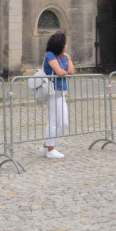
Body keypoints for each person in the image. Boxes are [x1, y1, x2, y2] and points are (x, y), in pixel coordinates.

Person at [42, 31, 74, 159]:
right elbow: (59, 72)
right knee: (53, 122)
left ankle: (46, 145)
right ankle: (50, 149)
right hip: (53, 92)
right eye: (64, 44)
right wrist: (64, 71)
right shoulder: (50, 56)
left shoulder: (63, 57)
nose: (66, 45)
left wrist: (68, 57)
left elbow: (71, 71)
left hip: (62, 92)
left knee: (64, 123)